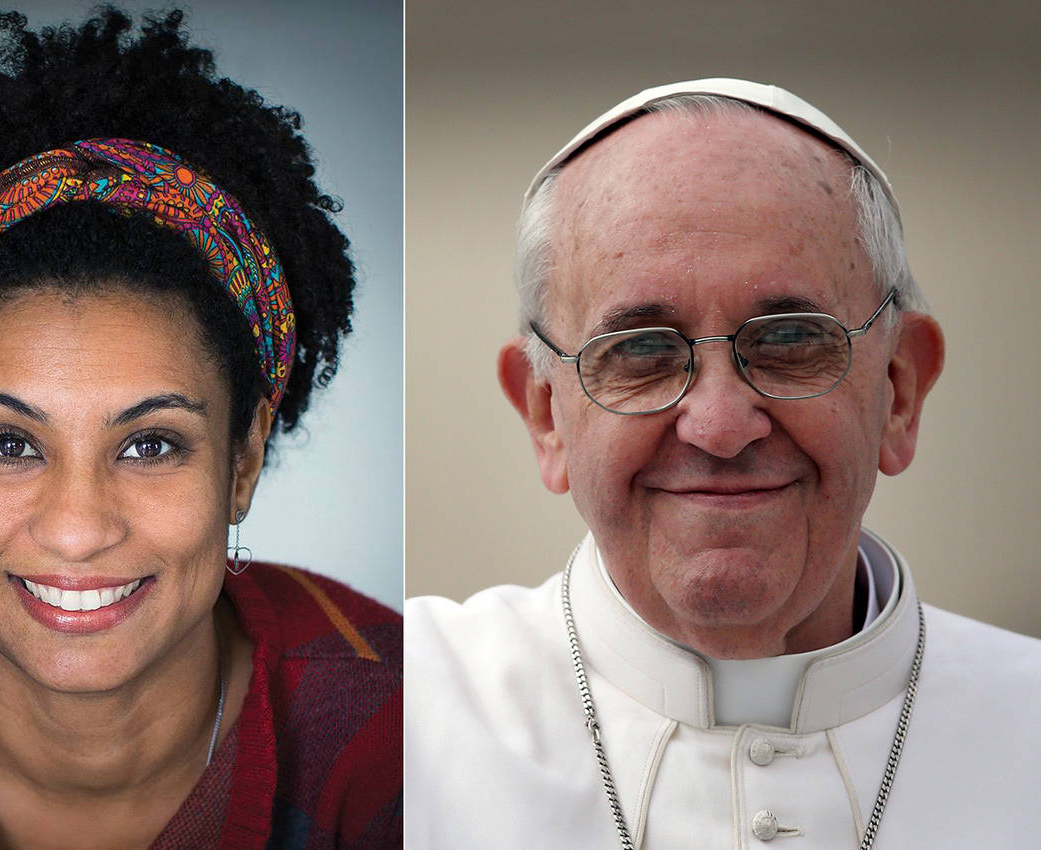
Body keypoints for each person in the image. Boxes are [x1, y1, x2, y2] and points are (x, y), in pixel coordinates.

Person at [0, 9, 401, 849]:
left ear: (242, 461)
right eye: (8, 444)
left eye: (150, 444)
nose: (75, 531)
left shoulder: (402, 732)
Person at [404, 78, 1040, 848]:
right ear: (546, 415)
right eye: (639, 350)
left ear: (898, 392)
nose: (718, 426)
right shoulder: (396, 706)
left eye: (789, 340)